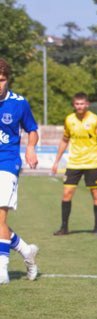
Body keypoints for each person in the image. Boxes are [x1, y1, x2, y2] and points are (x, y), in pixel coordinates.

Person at [0, 58, 39, 284]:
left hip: (7, 163)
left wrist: (31, 147)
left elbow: (32, 129)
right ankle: (26, 251)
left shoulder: (19, 103)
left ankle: (2, 269)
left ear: (8, 79)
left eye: (2, 79)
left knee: (0, 216)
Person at [52, 92, 97, 235]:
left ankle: (96, 228)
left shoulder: (95, 120)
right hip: (74, 163)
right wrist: (56, 161)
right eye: (77, 104)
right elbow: (65, 140)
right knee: (67, 193)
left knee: (96, 193)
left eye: (82, 103)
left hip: (92, 163)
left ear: (87, 104)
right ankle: (64, 228)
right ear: (74, 105)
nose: (79, 106)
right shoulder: (69, 120)